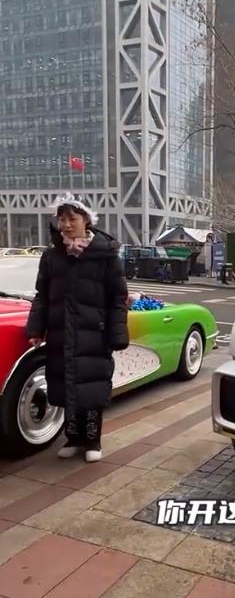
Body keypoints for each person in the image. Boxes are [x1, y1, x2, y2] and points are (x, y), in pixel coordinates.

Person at [26, 194, 129, 462]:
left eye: (72, 218)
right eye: (61, 219)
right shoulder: (51, 256)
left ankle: (93, 440)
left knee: (92, 388)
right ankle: (73, 437)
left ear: (87, 220)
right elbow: (42, 295)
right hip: (60, 332)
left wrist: (117, 333)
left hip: (94, 332)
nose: (66, 224)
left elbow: (118, 297)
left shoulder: (105, 254)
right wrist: (35, 329)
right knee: (66, 387)